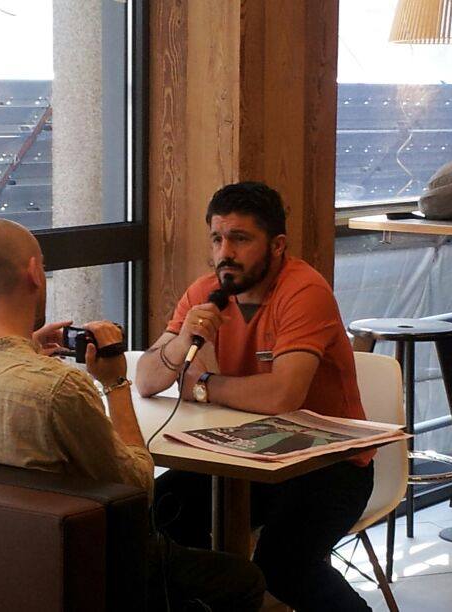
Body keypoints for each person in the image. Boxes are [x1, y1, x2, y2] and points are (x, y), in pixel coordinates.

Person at [0, 217, 265, 612]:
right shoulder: (57, 387)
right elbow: (136, 489)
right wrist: (115, 384)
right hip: (75, 570)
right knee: (243, 580)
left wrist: (25, 348)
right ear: (35, 273)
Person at [136, 182, 374, 612]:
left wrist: (204, 385)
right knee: (153, 520)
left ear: (277, 245)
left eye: (240, 239)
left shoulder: (303, 291)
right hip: (243, 457)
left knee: (283, 566)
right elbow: (147, 380)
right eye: (217, 239)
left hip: (328, 463)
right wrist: (181, 341)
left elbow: (283, 395)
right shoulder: (205, 292)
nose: (225, 253)